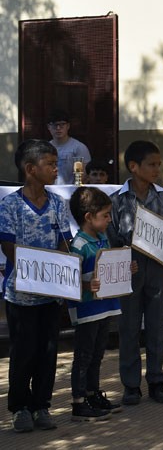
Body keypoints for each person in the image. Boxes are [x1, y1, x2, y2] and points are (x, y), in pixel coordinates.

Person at [0, 140, 72, 433]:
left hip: (51, 295)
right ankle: (20, 408)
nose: (56, 169)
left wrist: (66, 273)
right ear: (30, 169)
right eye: (50, 165)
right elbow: (9, 247)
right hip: (21, 294)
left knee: (48, 351)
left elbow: (64, 242)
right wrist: (35, 273)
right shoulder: (10, 205)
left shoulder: (57, 203)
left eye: (57, 164)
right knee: (23, 352)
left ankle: (42, 405)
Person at [107, 140, 163, 405]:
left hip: (157, 268)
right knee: (129, 326)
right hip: (130, 267)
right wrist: (124, 256)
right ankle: (131, 385)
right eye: (151, 164)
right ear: (134, 167)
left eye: (159, 164)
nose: (157, 169)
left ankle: (157, 380)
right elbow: (112, 235)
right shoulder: (117, 200)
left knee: (157, 325)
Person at [67, 186, 136, 421]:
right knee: (84, 355)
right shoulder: (78, 245)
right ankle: (78, 402)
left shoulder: (102, 239)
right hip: (87, 309)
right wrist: (87, 287)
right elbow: (69, 279)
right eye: (105, 215)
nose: (109, 220)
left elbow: (108, 267)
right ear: (88, 217)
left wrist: (126, 269)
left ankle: (92, 393)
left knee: (97, 355)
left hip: (105, 307)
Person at [46, 109, 91, 185]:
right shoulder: (44, 148)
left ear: (68, 126)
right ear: (48, 127)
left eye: (62, 124)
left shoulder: (78, 147)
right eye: (54, 125)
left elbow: (85, 174)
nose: (58, 128)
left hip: (72, 191)